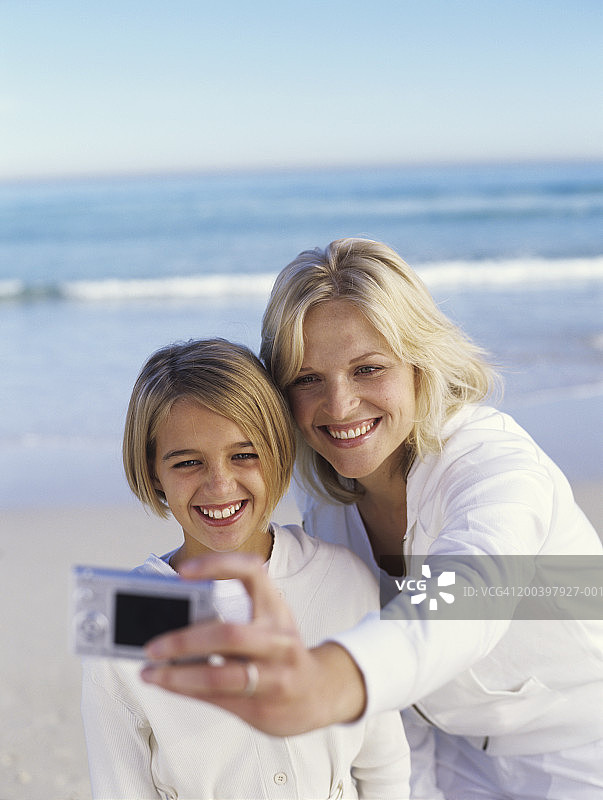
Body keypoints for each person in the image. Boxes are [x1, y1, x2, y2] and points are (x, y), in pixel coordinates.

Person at [141, 241, 603, 799]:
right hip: (443, 749)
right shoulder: (330, 502)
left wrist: (332, 681)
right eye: (308, 379)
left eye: (369, 369)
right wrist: (125, 624)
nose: (339, 406)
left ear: (420, 364)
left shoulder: (496, 466)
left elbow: (470, 592)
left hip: (581, 745)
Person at [80, 337, 411, 799]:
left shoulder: (344, 577)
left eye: (244, 454)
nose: (220, 484)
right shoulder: (124, 613)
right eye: (188, 462)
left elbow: (384, 764)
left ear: (277, 451)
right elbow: (120, 788)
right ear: (154, 472)